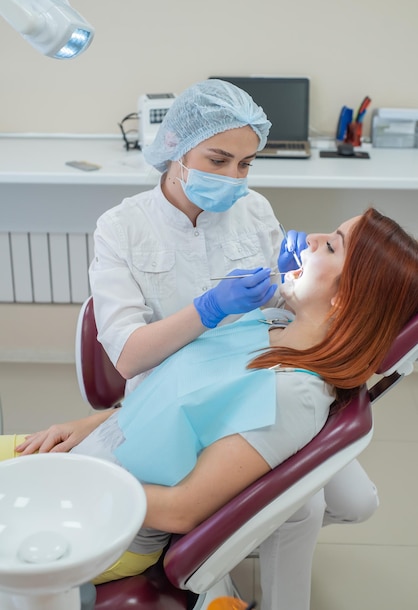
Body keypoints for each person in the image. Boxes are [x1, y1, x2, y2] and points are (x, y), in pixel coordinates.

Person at [14, 80, 378, 608]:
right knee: (299, 505)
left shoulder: (252, 210)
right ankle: (217, 563)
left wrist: (298, 280)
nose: (235, 178)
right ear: (178, 146)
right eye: (220, 159)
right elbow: (131, 357)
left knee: (355, 500)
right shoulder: (123, 228)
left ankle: (223, 539)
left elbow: (285, 304)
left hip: (254, 376)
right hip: (177, 397)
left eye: (247, 164)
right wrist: (208, 311)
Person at [7, 209, 418, 597]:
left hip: (105, 521)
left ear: (344, 300)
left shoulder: (291, 395)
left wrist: (71, 481)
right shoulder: (273, 323)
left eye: (331, 246)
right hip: (82, 462)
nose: (312, 239)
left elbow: (181, 511)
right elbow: (175, 403)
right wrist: (93, 426)